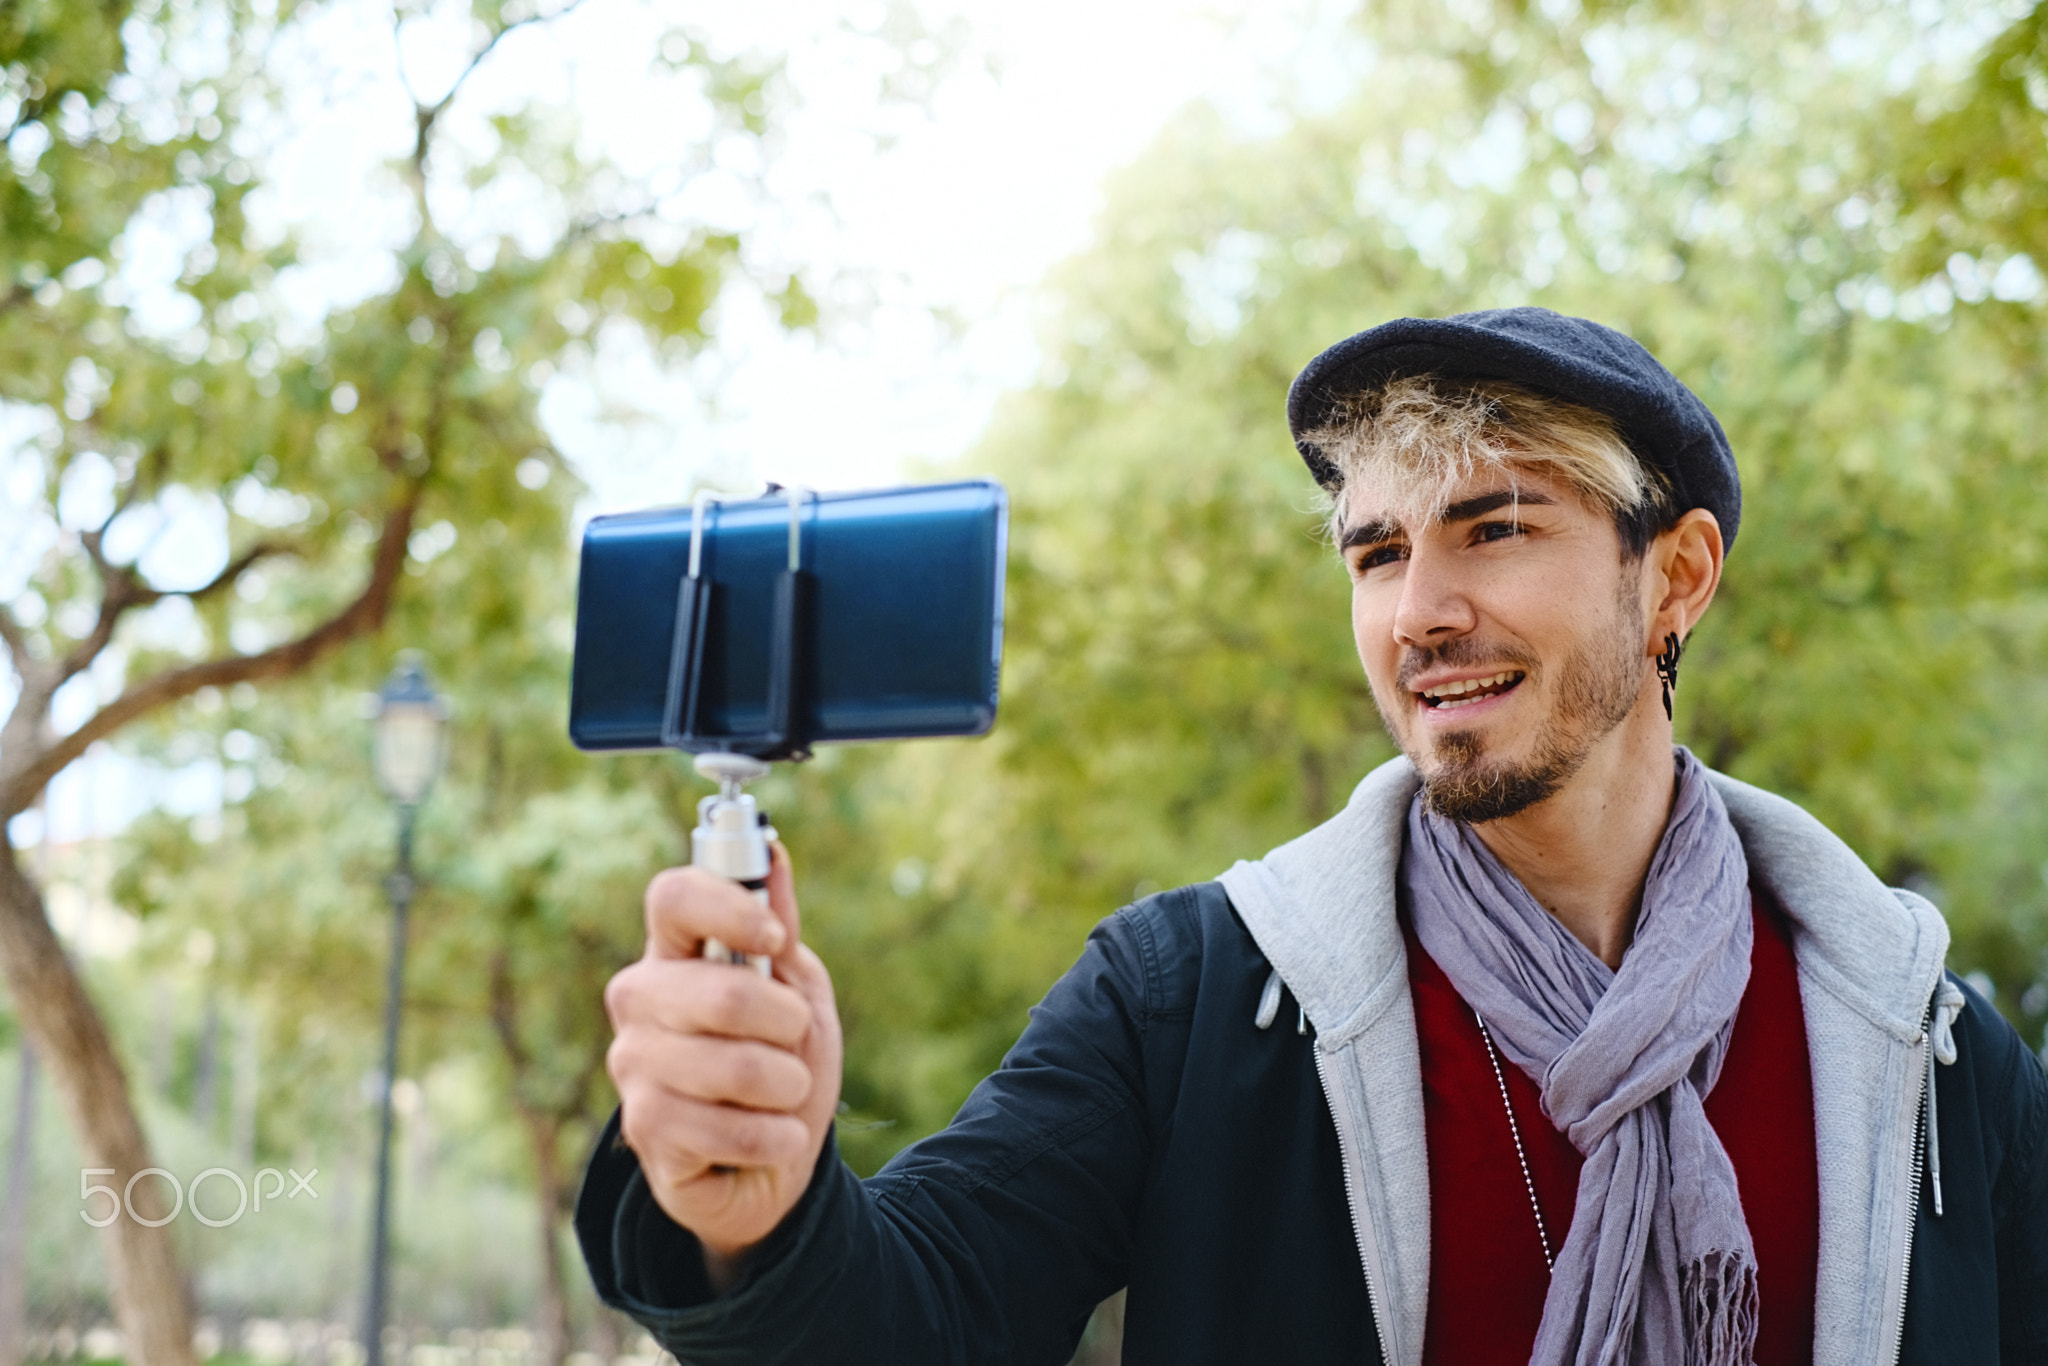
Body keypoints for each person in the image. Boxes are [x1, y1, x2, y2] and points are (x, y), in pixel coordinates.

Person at [577, 308, 2048, 1366]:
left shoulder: (1925, 1044)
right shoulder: (1194, 995)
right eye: (1378, 551)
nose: (1419, 610)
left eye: (1494, 527)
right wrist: (752, 1214)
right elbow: (921, 1310)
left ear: (1675, 576)